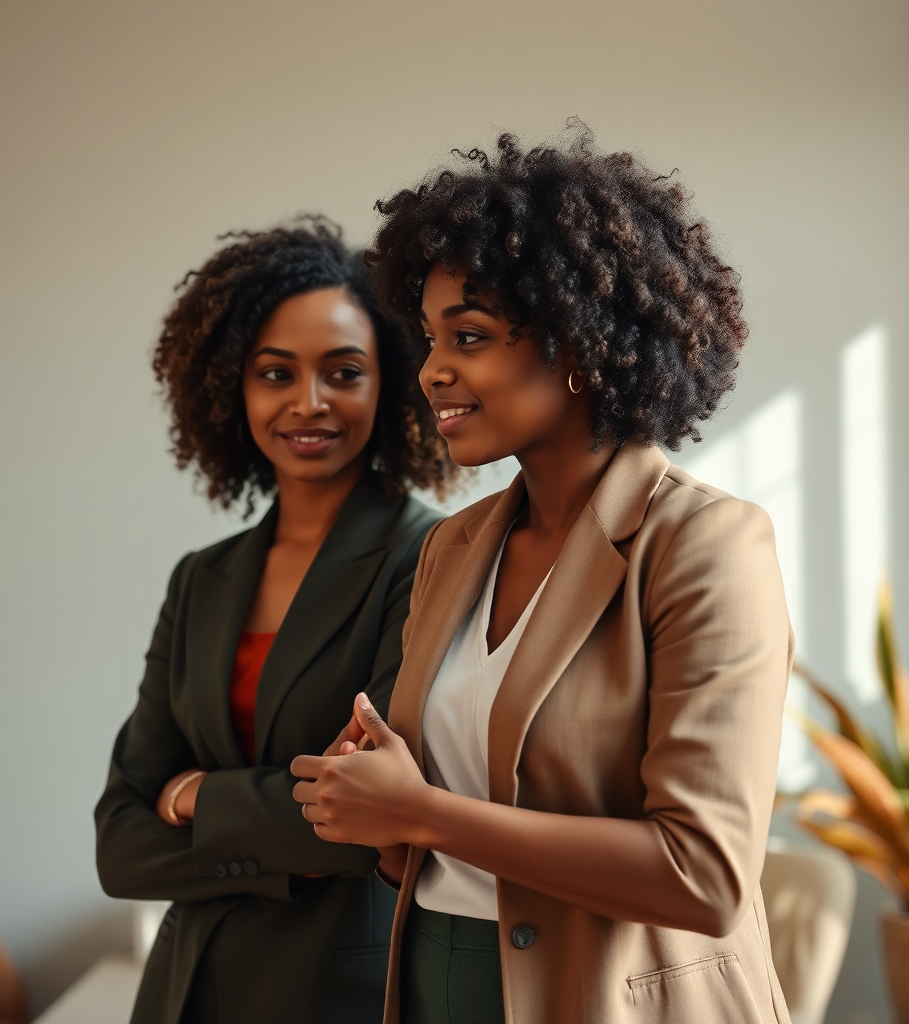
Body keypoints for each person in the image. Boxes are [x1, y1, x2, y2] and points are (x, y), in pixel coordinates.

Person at [291, 128, 794, 1024]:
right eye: (431, 337)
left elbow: (704, 874)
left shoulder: (704, 544)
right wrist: (370, 803)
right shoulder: (453, 547)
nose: (433, 369)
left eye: (470, 336)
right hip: (434, 986)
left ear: (577, 346)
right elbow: (422, 839)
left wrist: (424, 814)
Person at [95, 218, 454, 1024]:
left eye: (343, 371)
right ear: (233, 387)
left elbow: (373, 821)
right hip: (183, 994)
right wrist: (283, 832)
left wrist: (190, 797)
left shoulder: (430, 557)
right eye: (274, 372)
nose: (308, 402)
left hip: (334, 995)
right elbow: (118, 845)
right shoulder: (201, 580)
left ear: (389, 383)